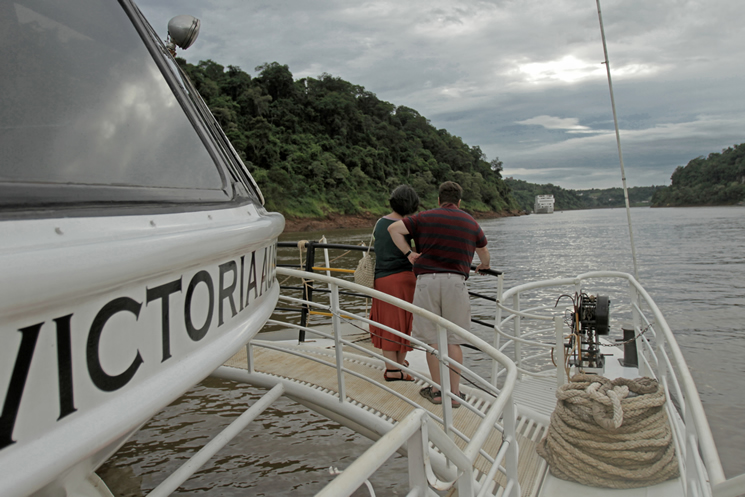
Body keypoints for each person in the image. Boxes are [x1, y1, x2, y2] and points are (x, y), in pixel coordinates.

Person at [387, 181, 490, 407]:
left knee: (432, 341)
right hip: (456, 283)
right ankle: (454, 394)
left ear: (438, 199)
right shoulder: (470, 221)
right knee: (454, 341)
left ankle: (436, 391)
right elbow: (483, 250)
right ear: (459, 201)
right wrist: (484, 265)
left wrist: (409, 253)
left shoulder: (424, 217)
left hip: (427, 282)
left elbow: (393, 229)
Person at [369, 185, 420, 382]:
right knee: (403, 323)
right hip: (405, 278)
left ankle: (395, 366)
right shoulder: (410, 224)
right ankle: (394, 370)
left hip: (381, 278)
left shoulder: (380, 222)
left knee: (387, 323)